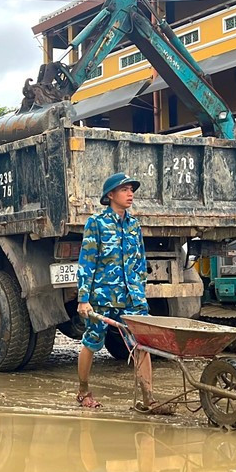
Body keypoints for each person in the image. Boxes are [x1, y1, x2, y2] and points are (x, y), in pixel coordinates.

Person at [75, 172, 169, 413]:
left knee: (142, 344)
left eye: (131, 190)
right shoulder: (96, 223)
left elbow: (140, 262)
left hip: (132, 298)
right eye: (125, 190)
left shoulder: (134, 224)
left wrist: (140, 292)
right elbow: (87, 262)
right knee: (92, 342)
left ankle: (149, 399)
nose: (130, 194)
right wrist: (84, 299)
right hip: (103, 297)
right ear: (110, 195)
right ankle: (83, 391)